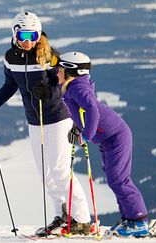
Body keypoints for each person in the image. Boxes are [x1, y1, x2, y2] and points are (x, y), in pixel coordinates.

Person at [0, 11, 92, 236]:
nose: (28, 41)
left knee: (60, 170)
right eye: (23, 35)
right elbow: (10, 85)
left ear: (39, 34)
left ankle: (82, 219)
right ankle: (63, 213)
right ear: (15, 34)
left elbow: (65, 82)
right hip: (34, 121)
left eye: (32, 35)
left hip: (58, 118)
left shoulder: (50, 56)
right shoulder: (11, 58)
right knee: (45, 173)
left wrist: (48, 91)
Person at [55, 51, 150, 237]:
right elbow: (81, 113)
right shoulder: (73, 87)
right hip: (108, 139)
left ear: (71, 72)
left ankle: (139, 221)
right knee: (114, 180)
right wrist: (77, 127)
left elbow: (92, 110)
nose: (57, 72)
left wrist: (86, 135)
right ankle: (129, 219)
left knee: (119, 180)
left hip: (116, 136)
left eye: (60, 69)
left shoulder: (77, 88)